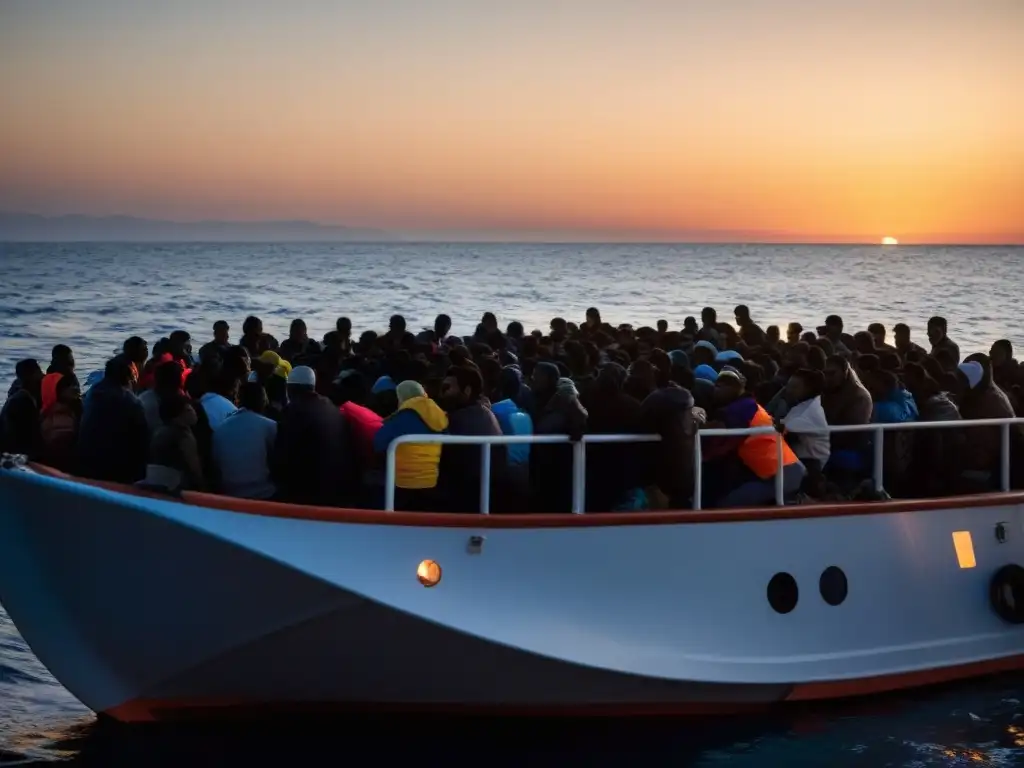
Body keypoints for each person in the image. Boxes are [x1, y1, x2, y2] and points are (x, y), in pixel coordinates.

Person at [700, 369, 804, 507]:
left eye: (721, 386)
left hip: (780, 474)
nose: (716, 390)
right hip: (781, 470)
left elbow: (719, 439)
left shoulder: (742, 408)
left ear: (736, 388)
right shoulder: (750, 405)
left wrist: (694, 426)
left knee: (725, 505)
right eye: (716, 385)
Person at [272, 366, 353, 505]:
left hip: (313, 494)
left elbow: (282, 457)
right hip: (341, 487)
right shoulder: (331, 407)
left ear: (290, 389)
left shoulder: (294, 411)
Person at [372, 377, 449, 510]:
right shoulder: (441, 416)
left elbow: (378, 444)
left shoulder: (402, 418)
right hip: (434, 485)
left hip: (402, 487)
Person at [438, 365, 506, 513]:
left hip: (466, 500)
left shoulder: (456, 419)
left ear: (467, 390)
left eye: (447, 388)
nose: (442, 394)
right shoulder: (486, 413)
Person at [76, 355, 149, 483]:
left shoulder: (93, 393)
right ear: (129, 377)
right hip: (115, 473)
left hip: (85, 465)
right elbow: (142, 444)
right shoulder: (131, 402)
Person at [212, 380, 278, 499]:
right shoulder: (270, 426)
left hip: (228, 494)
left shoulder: (220, 428)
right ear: (263, 401)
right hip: (264, 494)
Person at [778, 369, 830, 493]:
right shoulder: (801, 406)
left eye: (794, 387)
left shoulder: (810, 412)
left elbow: (779, 428)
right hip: (796, 459)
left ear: (808, 389)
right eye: (788, 385)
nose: (788, 390)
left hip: (809, 464)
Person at [146, 394, 205, 491]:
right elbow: (195, 468)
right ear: (177, 416)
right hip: (177, 486)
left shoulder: (160, 431)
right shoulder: (184, 436)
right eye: (188, 410)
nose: (194, 413)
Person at [38, 372, 81, 471]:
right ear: (55, 391)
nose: (74, 388)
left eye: (74, 384)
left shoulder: (68, 410)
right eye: (68, 386)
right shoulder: (57, 418)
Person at [0, 359, 44, 456]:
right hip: (16, 456)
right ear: (32, 376)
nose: (42, 376)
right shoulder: (23, 402)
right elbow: (30, 438)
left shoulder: (18, 397)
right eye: (39, 372)